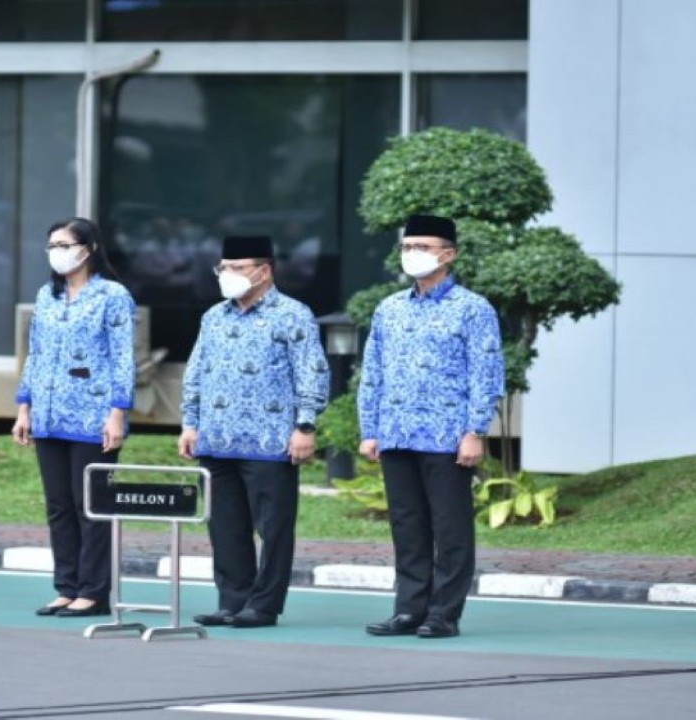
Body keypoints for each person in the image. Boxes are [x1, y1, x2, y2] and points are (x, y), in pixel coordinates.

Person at [357, 214, 505, 639]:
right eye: (406, 246)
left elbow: (486, 373)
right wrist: (370, 429)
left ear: (449, 254)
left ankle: (443, 614)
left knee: (450, 527)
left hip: (447, 436)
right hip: (397, 433)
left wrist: (475, 430)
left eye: (422, 246)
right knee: (407, 525)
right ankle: (408, 609)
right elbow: (374, 372)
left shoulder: (473, 309)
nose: (411, 254)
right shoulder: (390, 309)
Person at [178, 235, 330, 629]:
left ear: (263, 271)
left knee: (274, 527)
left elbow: (312, 371)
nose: (226, 275)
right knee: (225, 526)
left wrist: (306, 425)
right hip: (217, 437)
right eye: (222, 268)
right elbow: (196, 371)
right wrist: (190, 422)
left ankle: (264, 605)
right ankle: (232, 600)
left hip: (271, 440)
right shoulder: (214, 316)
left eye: (236, 268)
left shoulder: (293, 314)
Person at [12, 217, 136, 618]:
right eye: (51, 245)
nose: (57, 252)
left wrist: (117, 413)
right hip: (48, 414)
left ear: (89, 249)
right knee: (59, 505)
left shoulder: (112, 296)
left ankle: (94, 591)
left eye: (64, 244)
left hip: (93, 415)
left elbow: (122, 358)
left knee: (91, 505)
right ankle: (66, 586)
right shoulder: (47, 296)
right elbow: (36, 353)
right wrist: (23, 407)